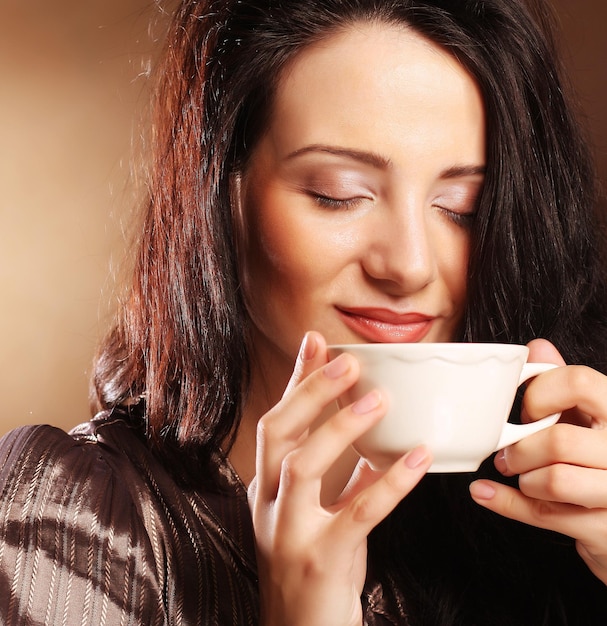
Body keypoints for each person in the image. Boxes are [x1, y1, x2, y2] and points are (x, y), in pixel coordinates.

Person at [1, 0, 607, 623]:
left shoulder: (535, 526)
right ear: (222, 193)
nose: (410, 265)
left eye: (462, 207)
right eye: (337, 196)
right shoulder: (70, 516)